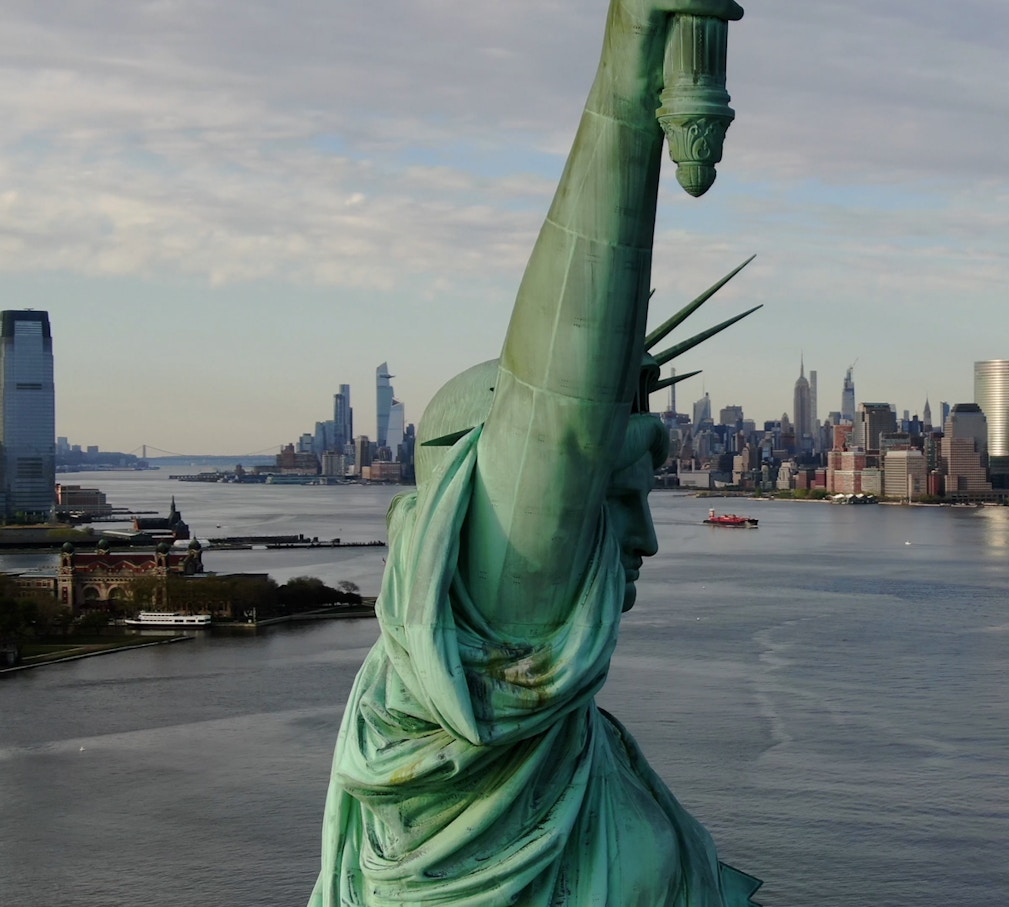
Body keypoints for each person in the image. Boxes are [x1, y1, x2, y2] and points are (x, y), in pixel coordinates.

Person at [307, 0, 759, 903]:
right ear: (464, 535)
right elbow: (562, 416)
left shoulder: (561, 754)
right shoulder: (468, 721)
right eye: (609, 495)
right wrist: (632, 69)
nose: (646, 538)